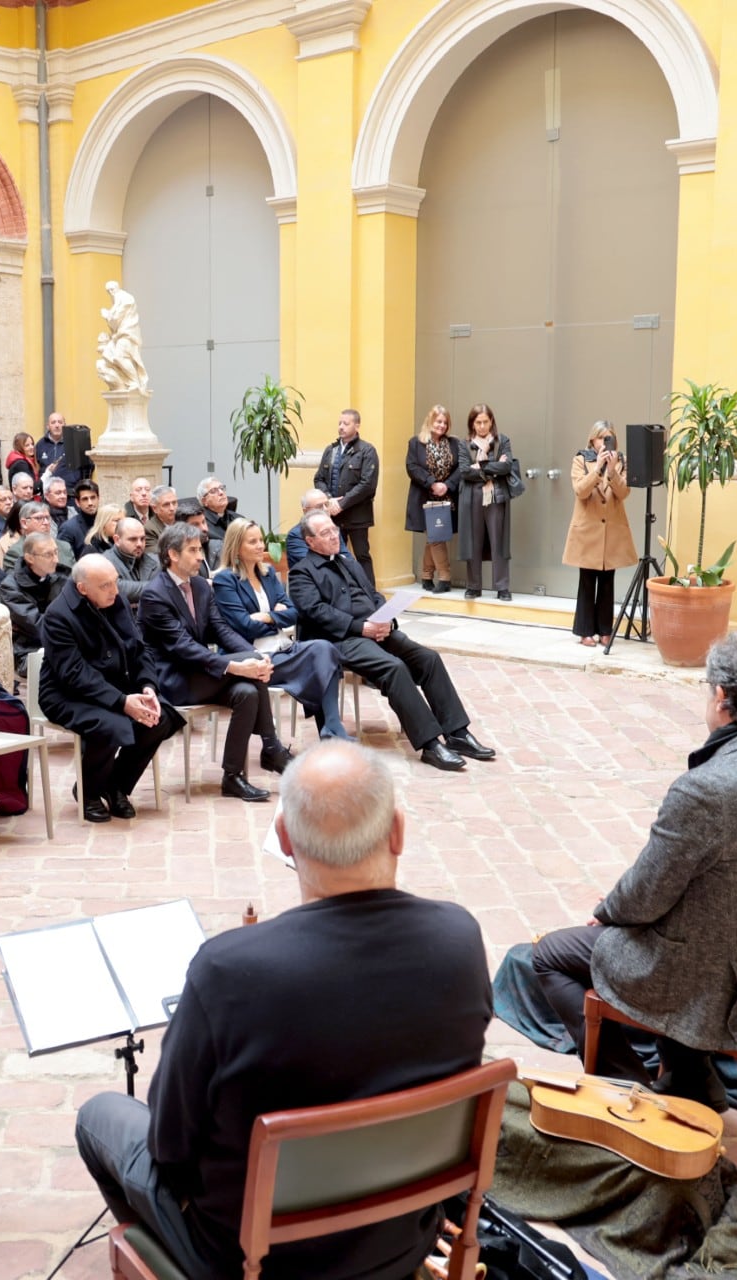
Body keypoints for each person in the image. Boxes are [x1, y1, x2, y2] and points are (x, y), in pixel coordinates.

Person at [75, 741, 491, 1279]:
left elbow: (170, 1148)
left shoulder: (227, 970)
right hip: (397, 1241)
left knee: (98, 1118)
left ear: (287, 839)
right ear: (398, 832)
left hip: (253, 1258)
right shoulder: (459, 938)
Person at [531, 633, 737, 1107]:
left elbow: (645, 896)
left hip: (720, 985)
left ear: (721, 698)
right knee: (689, 920)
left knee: (551, 954)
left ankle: (630, 1093)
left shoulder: (707, 790)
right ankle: (689, 1078)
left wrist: (608, 911)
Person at [289, 512, 494, 773]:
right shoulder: (301, 573)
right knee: (393, 668)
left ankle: (457, 733)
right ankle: (430, 745)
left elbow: (373, 594)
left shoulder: (348, 561)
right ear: (310, 542)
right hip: (341, 639)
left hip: (377, 630)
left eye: (334, 529)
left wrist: (386, 620)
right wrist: (360, 627)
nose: (334, 536)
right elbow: (316, 611)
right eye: (325, 533)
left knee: (428, 659)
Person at [141, 523, 295, 801]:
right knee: (248, 672)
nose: (201, 556)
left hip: (201, 673)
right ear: (172, 555)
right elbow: (182, 647)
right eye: (193, 550)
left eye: (200, 549)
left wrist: (254, 655)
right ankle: (271, 748)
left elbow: (220, 629)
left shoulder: (200, 586)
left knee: (247, 692)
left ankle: (233, 777)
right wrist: (236, 665)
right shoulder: (155, 594)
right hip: (173, 679)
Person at [39, 555, 183, 823]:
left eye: (115, 582)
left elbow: (139, 649)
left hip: (117, 686)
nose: (115, 591)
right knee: (112, 725)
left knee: (159, 718)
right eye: (105, 585)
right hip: (66, 694)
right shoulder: (58, 615)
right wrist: (121, 701)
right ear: (82, 589)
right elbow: (74, 674)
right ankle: (89, 791)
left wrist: (147, 685)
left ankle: (115, 785)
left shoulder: (115, 601)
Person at [213, 517, 350, 739]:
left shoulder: (266, 573)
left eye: (260, 540)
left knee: (325, 649)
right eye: (253, 541)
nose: (260, 546)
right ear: (236, 547)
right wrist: (277, 617)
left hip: (282, 648)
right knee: (321, 663)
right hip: (254, 658)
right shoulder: (225, 581)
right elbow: (244, 626)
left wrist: (266, 617)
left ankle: (332, 727)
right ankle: (333, 732)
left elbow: (294, 613)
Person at [563, 421, 632, 646]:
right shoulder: (580, 459)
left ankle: (605, 630)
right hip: (588, 530)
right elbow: (580, 491)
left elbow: (623, 492)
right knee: (586, 581)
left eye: (608, 438)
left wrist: (611, 470)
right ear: (592, 440)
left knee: (607, 581)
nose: (604, 442)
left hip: (610, 529)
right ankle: (584, 632)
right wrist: (597, 469)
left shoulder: (620, 461)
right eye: (601, 438)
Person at [456, 403, 521, 600]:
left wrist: (481, 466)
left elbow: (507, 466)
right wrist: (493, 467)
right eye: (478, 422)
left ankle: (502, 587)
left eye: (485, 422)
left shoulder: (503, 441)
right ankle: (474, 586)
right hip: (472, 497)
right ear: (472, 424)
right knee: (473, 541)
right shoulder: (464, 444)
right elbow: (465, 471)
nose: (482, 426)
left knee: (498, 541)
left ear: (491, 422)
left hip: (496, 496)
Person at [313, 409, 381, 583]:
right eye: (339, 423)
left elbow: (367, 485)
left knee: (362, 556)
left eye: (346, 423)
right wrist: (329, 500)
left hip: (357, 515)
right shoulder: (331, 450)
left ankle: (370, 596)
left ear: (357, 426)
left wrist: (341, 504)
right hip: (332, 516)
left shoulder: (367, 451)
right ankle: (342, 594)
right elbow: (319, 478)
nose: (341, 427)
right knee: (334, 556)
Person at [405, 405, 463, 592]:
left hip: (447, 498)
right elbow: (412, 467)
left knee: (434, 536)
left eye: (445, 423)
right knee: (436, 536)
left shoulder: (454, 443)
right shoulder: (416, 442)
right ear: (430, 421)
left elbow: (461, 467)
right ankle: (444, 577)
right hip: (424, 496)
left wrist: (447, 485)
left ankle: (426, 575)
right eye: (439, 421)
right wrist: (432, 483)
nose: (442, 425)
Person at [0, 531, 70, 668]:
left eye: (56, 552)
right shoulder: (10, 587)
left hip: (63, 641)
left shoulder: (64, 576)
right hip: (29, 650)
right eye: (48, 555)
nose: (56, 559)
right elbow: (38, 626)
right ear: (30, 558)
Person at [0, 501, 74, 575]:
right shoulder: (15, 552)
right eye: (39, 518)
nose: (46, 522)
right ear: (24, 523)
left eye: (47, 518)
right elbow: (18, 582)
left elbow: (75, 577)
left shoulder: (65, 547)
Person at [103, 516, 156, 610]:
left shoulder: (155, 561)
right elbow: (117, 588)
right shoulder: (104, 562)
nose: (139, 544)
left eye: (143, 539)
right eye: (133, 539)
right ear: (117, 540)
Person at [283, 489, 329, 568]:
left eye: (327, 504)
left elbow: (348, 560)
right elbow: (315, 565)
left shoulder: (332, 530)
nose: (325, 509)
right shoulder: (296, 535)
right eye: (319, 506)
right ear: (305, 511)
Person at [194, 476, 232, 547]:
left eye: (222, 488)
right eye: (213, 491)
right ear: (204, 501)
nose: (221, 492)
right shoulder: (202, 526)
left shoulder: (239, 519)